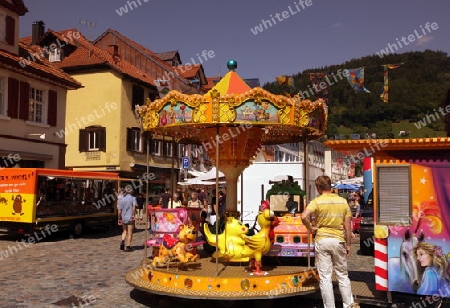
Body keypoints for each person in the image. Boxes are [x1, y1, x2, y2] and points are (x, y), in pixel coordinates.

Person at [301, 175, 357, 308]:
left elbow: (303, 216)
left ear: (319, 188)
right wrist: (348, 245)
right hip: (338, 240)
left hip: (322, 240)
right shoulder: (343, 202)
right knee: (342, 275)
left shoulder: (317, 201)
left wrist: (311, 228)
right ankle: (349, 305)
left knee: (325, 278)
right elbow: (348, 227)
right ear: (330, 186)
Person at [118, 187, 137, 252]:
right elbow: (134, 208)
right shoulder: (133, 198)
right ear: (131, 192)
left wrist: (119, 218)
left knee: (124, 231)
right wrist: (133, 215)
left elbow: (119, 210)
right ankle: (128, 246)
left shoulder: (122, 199)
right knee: (130, 232)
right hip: (130, 217)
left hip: (123, 218)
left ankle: (123, 241)